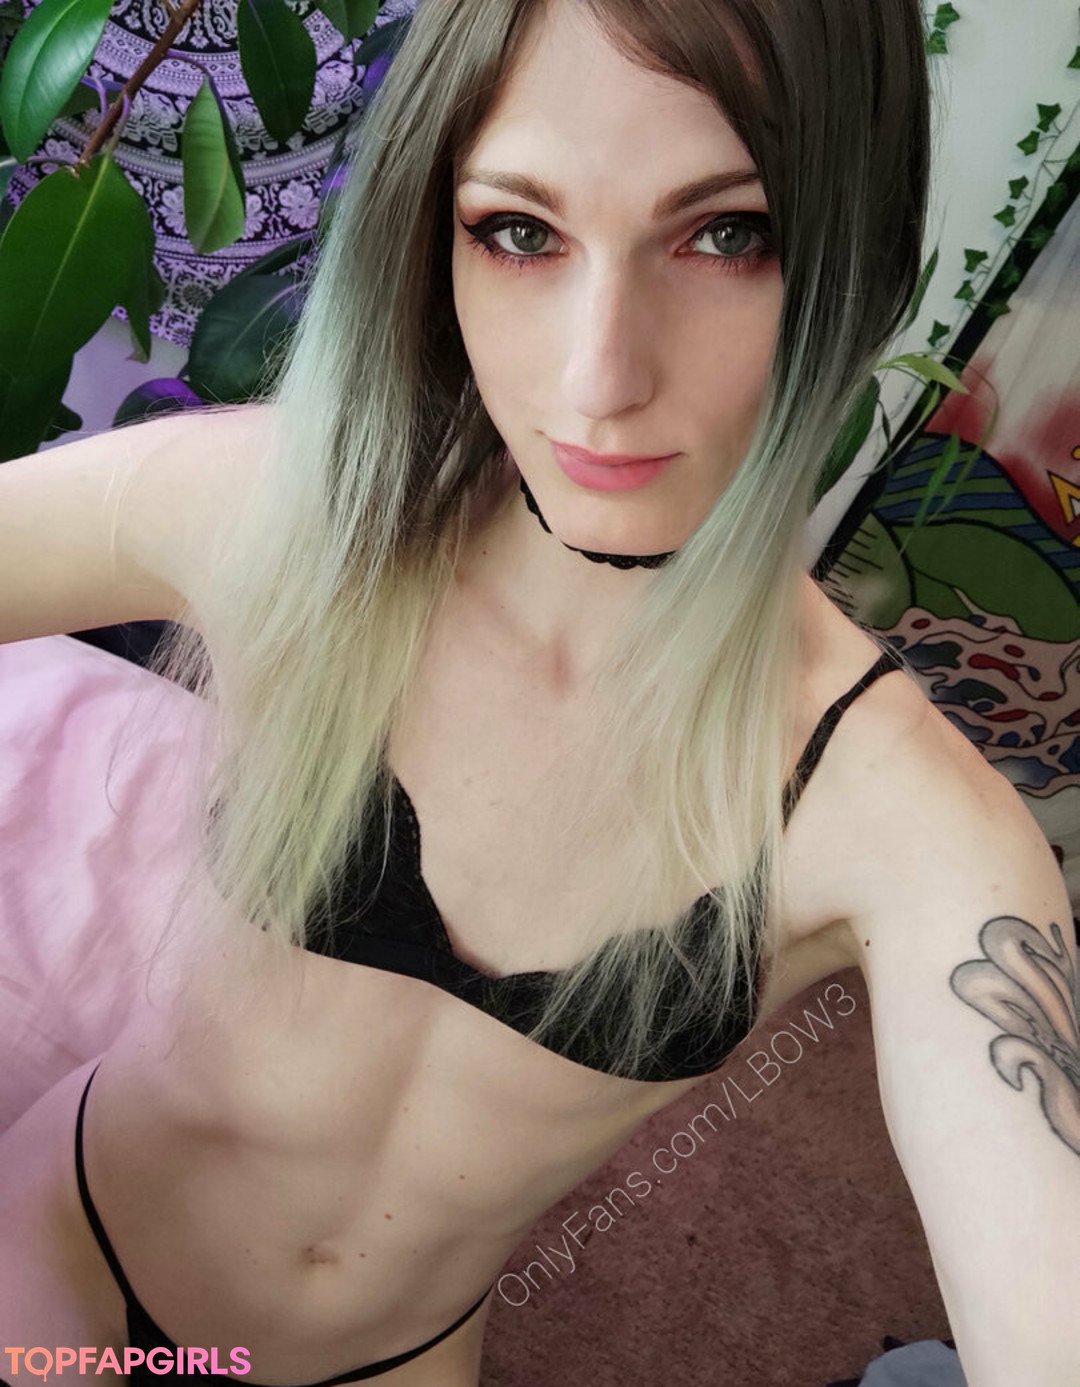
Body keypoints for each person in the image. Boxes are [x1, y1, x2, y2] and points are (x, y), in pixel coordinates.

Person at [3, 1, 1076, 1385]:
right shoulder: (268, 514)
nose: (599, 379)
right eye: (518, 231)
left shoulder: (902, 820)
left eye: (727, 234)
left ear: (849, 256)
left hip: (396, 1356)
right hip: (72, 1251)